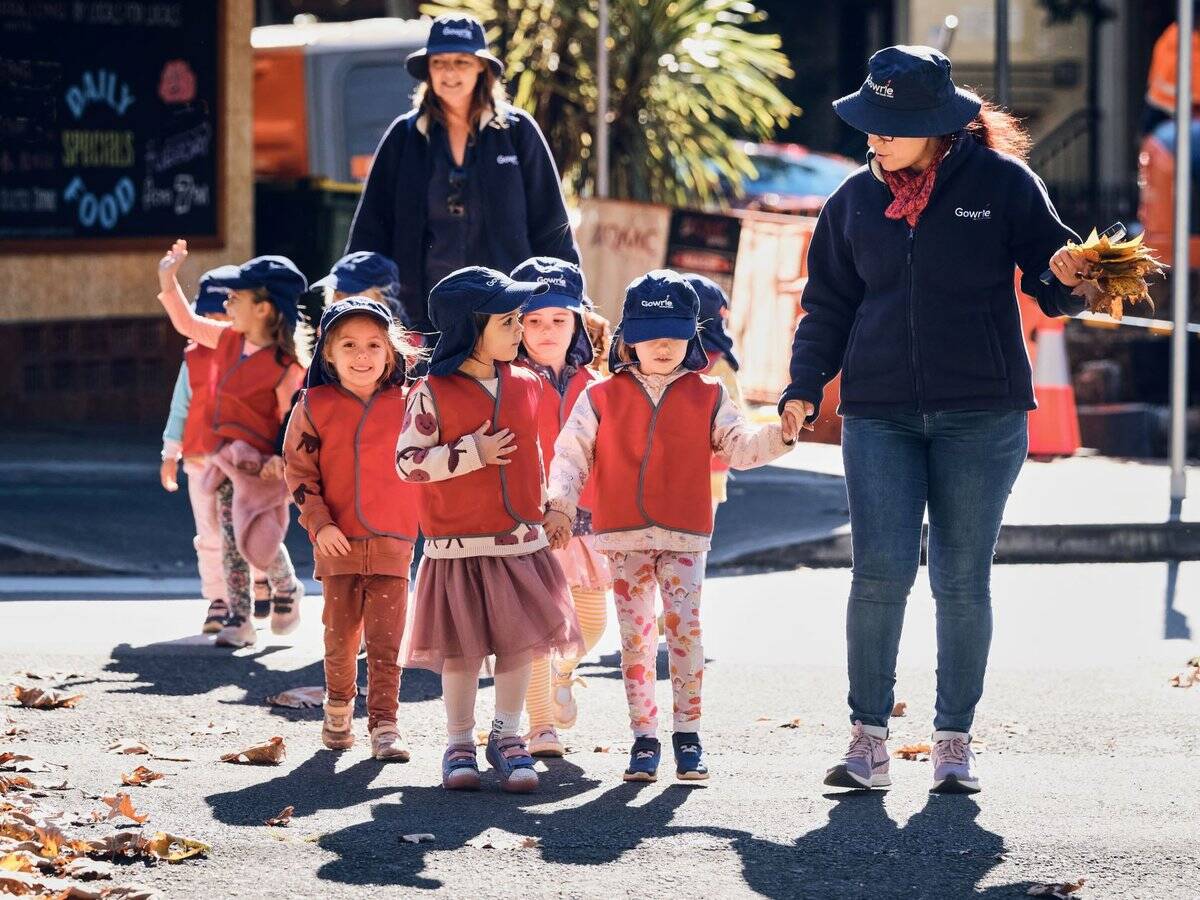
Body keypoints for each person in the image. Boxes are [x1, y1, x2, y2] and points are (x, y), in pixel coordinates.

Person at [777, 46, 1089, 794]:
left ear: (935, 125)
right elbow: (827, 304)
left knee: (960, 577)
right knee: (877, 576)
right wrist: (802, 385)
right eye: (870, 123)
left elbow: (1054, 278)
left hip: (982, 412)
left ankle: (953, 742)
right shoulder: (852, 201)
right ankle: (867, 741)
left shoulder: (1004, 184)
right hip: (878, 414)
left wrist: (1071, 278)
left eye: (890, 125)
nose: (874, 137)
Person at [545, 270, 798, 783]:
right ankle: (644, 738)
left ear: (692, 336)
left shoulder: (709, 395)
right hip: (623, 537)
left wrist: (782, 436)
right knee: (635, 640)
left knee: (686, 633)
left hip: (685, 536)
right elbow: (570, 455)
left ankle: (688, 735)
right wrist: (560, 505)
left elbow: (741, 447)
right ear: (627, 337)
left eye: (675, 333)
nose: (662, 345)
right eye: (648, 333)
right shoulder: (599, 396)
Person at [395, 266, 582, 793]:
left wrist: (553, 505)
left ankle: (507, 735)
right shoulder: (430, 391)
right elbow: (408, 462)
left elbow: (537, 455)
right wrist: (470, 453)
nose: (520, 328)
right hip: (457, 547)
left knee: (519, 644)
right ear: (471, 328)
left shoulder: (527, 383)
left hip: (522, 542)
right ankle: (458, 741)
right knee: (463, 651)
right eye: (508, 320)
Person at [345, 13, 578, 336]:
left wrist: (569, 301)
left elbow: (552, 227)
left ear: (482, 67)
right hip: (419, 321)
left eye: (461, 62)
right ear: (427, 69)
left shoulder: (517, 132)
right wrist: (355, 302)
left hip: (506, 317)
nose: (449, 72)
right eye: (439, 62)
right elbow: (370, 229)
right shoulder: (405, 136)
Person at [284, 297, 425, 760]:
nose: (361, 355)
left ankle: (385, 725)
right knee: (340, 638)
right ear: (327, 353)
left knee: (387, 641)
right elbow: (299, 473)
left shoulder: (412, 403)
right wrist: (319, 524)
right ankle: (339, 708)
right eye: (348, 345)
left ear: (391, 352)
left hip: (395, 540)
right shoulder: (313, 405)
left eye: (372, 345)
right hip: (336, 543)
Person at [157, 240, 310, 649]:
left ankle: (287, 586)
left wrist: (280, 462)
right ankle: (241, 619)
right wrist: (168, 281)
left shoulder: (287, 367)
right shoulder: (227, 340)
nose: (227, 304)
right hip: (226, 461)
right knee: (231, 537)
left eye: (236, 297)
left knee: (258, 538)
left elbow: (291, 422)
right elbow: (188, 325)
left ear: (263, 308)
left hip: (263, 469)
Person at [508, 256, 610, 759]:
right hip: (526, 523)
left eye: (559, 320)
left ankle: (565, 671)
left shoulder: (599, 385)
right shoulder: (506, 380)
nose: (547, 331)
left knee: (590, 626)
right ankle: (539, 727)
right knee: (532, 633)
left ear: (579, 323)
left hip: (586, 523)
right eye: (534, 320)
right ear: (517, 324)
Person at [159, 271, 268, 632]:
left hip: (243, 461)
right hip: (200, 460)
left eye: (222, 316)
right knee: (209, 534)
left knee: (249, 528)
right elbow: (180, 408)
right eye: (206, 317)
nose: (214, 324)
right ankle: (218, 599)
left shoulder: (254, 356)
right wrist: (169, 454)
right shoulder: (192, 360)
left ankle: (258, 581)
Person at [683, 273, 745, 514]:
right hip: (708, 477)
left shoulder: (659, 359)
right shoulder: (719, 366)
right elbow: (738, 422)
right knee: (694, 548)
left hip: (657, 473)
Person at [310, 251, 404, 322]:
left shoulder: (410, 345)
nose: (336, 301)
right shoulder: (327, 336)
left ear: (383, 297)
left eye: (349, 292)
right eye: (335, 292)